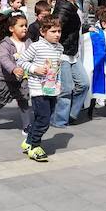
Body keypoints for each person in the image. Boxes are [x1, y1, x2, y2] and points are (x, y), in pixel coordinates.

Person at [18, 16, 64, 162]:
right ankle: (35, 146)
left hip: (52, 89)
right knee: (44, 120)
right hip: (38, 89)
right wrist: (35, 69)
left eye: (59, 31)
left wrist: (59, 83)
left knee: (44, 117)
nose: (57, 34)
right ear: (43, 32)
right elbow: (21, 61)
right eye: (53, 31)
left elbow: (57, 68)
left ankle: (28, 141)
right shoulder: (36, 46)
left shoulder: (59, 47)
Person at [0, 13, 34, 133]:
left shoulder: (28, 42)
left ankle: (27, 127)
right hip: (6, 78)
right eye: (21, 26)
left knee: (23, 101)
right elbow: (4, 59)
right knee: (1, 100)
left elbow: (34, 55)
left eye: (26, 25)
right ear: (11, 29)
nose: (25, 28)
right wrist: (14, 69)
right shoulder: (6, 43)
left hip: (22, 78)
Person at [52, 0, 89, 127]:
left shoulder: (72, 3)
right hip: (63, 53)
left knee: (84, 84)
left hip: (73, 52)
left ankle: (71, 114)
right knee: (66, 89)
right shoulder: (63, 6)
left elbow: (75, 25)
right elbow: (55, 27)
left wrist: (88, 28)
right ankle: (59, 120)